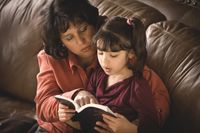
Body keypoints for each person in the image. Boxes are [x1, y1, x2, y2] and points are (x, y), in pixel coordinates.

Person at [34, 0, 169, 132]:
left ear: (93, 23)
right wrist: (70, 99)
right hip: (55, 129)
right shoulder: (50, 57)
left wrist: (133, 127)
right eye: (69, 38)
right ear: (61, 42)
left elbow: (158, 96)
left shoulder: (112, 44)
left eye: (83, 29)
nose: (81, 41)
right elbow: (42, 105)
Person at [84, 16, 160, 133]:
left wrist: (130, 129)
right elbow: (88, 97)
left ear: (131, 54)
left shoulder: (137, 87)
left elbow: (152, 126)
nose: (104, 61)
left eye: (113, 55)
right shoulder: (98, 73)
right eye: (100, 53)